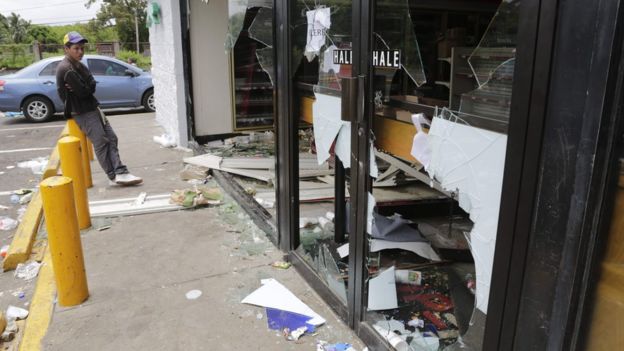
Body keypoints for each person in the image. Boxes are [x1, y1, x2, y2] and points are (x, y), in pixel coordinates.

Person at [56, 31, 143, 186]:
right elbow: (84, 92)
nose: (80, 52)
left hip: (92, 107)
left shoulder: (78, 65)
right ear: (66, 49)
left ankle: (120, 172)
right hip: (82, 111)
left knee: (112, 137)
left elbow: (91, 85)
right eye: (76, 48)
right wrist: (85, 85)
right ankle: (114, 175)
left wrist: (84, 84)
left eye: (82, 48)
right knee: (101, 142)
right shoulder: (66, 68)